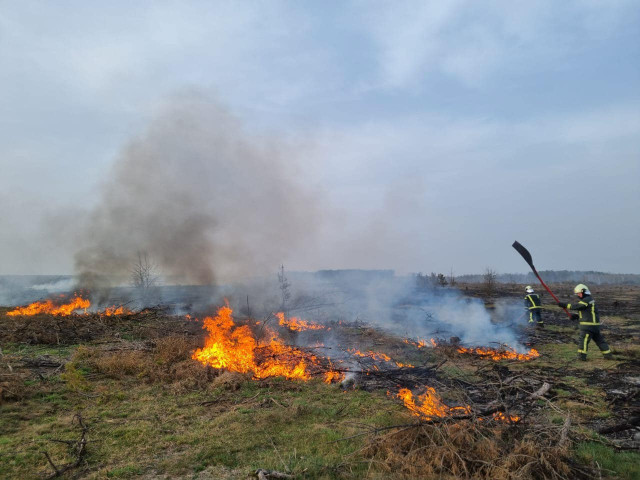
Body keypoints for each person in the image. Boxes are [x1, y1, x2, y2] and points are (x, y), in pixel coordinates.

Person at [558, 284, 612, 361]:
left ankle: (581, 357)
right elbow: (586, 312)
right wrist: (577, 316)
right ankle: (608, 355)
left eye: (579, 293)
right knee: (600, 341)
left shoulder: (587, 300)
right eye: (577, 294)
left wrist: (565, 305)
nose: (578, 295)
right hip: (594, 326)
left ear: (584, 292)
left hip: (588, 327)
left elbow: (578, 306)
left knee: (583, 341)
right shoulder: (589, 300)